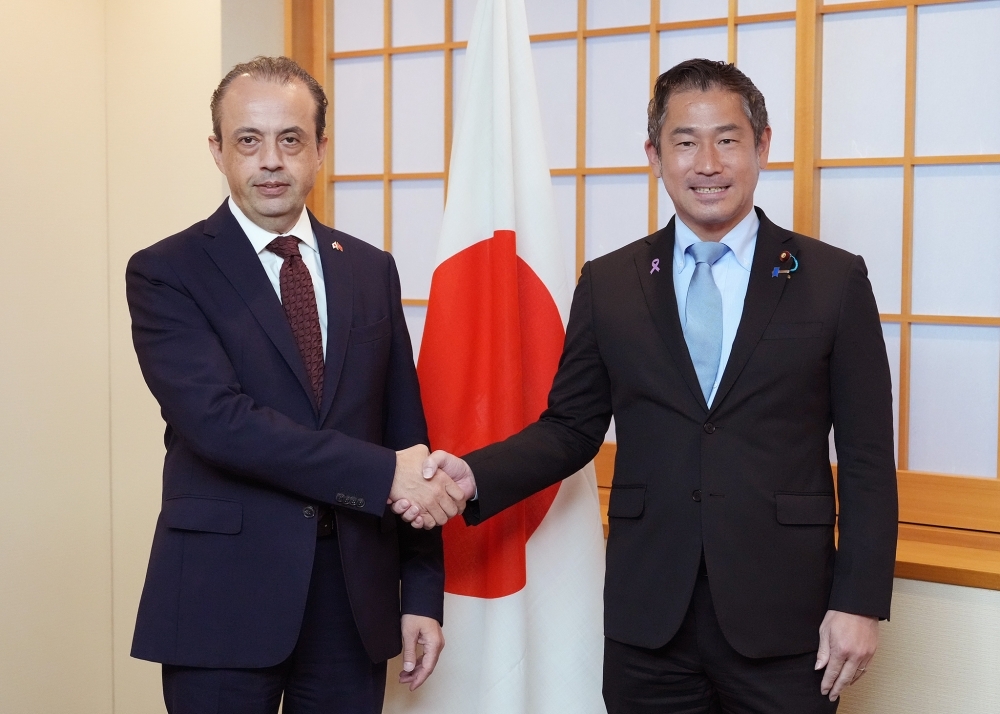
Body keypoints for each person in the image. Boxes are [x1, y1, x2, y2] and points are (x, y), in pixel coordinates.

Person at [399, 59, 898, 713]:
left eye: (727, 139)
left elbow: (866, 461)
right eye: (685, 142)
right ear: (655, 155)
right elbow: (570, 428)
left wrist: (858, 602)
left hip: (786, 619)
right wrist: (472, 475)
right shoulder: (611, 284)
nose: (707, 163)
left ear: (763, 145)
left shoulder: (832, 280)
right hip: (649, 620)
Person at [126, 56, 467, 714]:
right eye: (248, 140)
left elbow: (405, 435)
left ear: (320, 150)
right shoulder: (167, 272)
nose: (271, 160)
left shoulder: (370, 270)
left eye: (291, 139)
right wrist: (381, 474)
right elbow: (221, 423)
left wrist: (420, 592)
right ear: (217, 151)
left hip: (353, 600)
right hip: (220, 600)